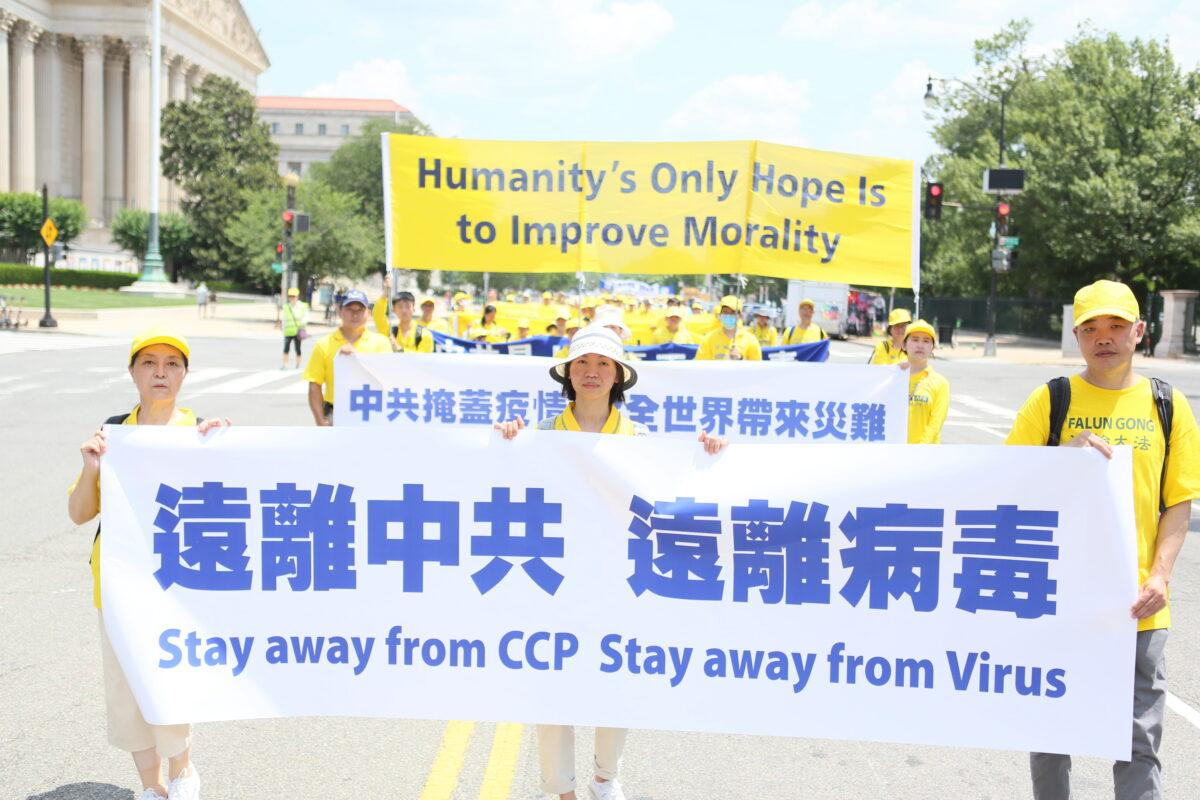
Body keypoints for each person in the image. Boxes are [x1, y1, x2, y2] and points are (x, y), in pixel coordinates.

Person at [494, 325, 725, 800]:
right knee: (552, 683)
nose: (592, 372)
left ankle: (605, 777)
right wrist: (505, 440)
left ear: (619, 375)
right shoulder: (538, 435)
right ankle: (560, 789)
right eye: (582, 363)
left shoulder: (641, 438)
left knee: (617, 678)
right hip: (552, 580)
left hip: (618, 582)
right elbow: (503, 482)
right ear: (568, 373)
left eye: (603, 364)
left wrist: (707, 455)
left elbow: (672, 489)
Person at [1005, 280, 1200, 800]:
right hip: (1057, 602)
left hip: (1139, 605)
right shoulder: (1052, 399)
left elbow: (1178, 500)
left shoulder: (1168, 404)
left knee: (1137, 742)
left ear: (1139, 331)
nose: (1104, 338)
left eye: (1116, 326)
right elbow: (1003, 481)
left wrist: (1160, 575)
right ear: (1076, 337)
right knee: (1050, 733)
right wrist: (1060, 456)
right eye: (1091, 328)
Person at [68, 326, 230, 800]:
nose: (161, 373)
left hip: (175, 586)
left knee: (168, 681)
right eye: (149, 363)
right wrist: (92, 467)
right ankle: (151, 787)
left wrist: (224, 450)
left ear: (184, 373)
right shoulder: (113, 434)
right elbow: (79, 514)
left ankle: (182, 773)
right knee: (125, 693)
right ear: (133, 372)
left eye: (172, 364)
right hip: (117, 586)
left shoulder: (200, 433)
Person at [303, 289, 391, 426]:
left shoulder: (382, 343)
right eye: (350, 309)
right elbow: (314, 386)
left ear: (368, 313)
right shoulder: (324, 344)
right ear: (340, 310)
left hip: (372, 412)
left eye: (360, 310)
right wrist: (320, 420)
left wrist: (357, 358)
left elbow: (387, 379)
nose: (355, 314)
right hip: (336, 412)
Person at [901, 320, 948, 444]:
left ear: (932, 347)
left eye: (926, 341)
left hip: (925, 456)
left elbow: (935, 424)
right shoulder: (891, 379)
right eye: (915, 340)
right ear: (904, 345)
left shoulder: (940, 383)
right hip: (891, 454)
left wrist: (920, 450)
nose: (920, 345)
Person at [373, 279, 435, 354]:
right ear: (394, 310)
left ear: (414, 309)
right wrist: (385, 293)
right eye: (400, 306)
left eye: (408, 306)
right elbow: (378, 315)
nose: (404, 310)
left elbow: (422, 360)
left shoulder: (424, 334)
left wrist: (398, 348)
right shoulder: (391, 332)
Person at [696, 296, 762, 361]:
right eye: (725, 312)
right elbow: (701, 367)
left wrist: (740, 359)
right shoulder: (708, 339)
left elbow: (757, 369)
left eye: (733, 312)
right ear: (720, 314)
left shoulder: (751, 340)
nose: (728, 315)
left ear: (740, 316)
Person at [281, 287, 308, 370]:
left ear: (297, 297)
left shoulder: (302, 306)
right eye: (290, 296)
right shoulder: (286, 306)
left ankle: (298, 364)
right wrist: (282, 328)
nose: (292, 298)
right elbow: (284, 318)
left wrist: (301, 323)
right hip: (288, 331)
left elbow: (306, 318)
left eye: (293, 296)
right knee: (286, 348)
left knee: (298, 348)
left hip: (297, 331)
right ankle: (285, 364)